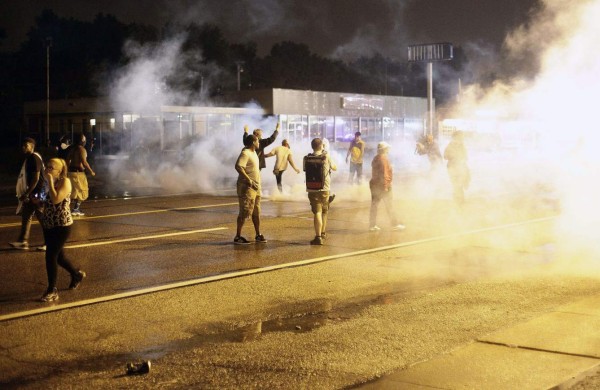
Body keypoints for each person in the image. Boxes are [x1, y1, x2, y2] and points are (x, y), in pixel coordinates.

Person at [37, 158, 86, 302]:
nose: (47, 170)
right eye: (47, 167)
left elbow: (56, 199)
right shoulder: (46, 181)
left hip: (62, 225)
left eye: (51, 168)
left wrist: (50, 182)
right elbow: (44, 199)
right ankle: (76, 274)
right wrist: (37, 199)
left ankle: (52, 290)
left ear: (60, 171)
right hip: (48, 224)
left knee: (50, 255)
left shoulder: (65, 182)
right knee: (60, 257)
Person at [10, 138, 45, 250]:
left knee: (42, 218)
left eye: (26, 145)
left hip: (38, 193)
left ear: (32, 146)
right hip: (33, 193)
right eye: (23, 145)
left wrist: (27, 193)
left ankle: (50, 242)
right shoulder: (29, 158)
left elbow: (36, 178)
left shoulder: (34, 158)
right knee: (26, 216)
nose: (23, 147)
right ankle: (23, 241)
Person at [234, 134, 267, 244]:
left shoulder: (253, 153)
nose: (259, 142)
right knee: (245, 211)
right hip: (247, 187)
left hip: (256, 187)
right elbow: (238, 166)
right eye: (257, 141)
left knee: (256, 211)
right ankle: (238, 236)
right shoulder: (245, 153)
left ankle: (258, 234)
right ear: (253, 142)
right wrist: (248, 180)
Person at [306, 138, 337, 245]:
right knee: (324, 211)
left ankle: (318, 236)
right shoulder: (326, 156)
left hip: (312, 188)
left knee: (317, 212)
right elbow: (334, 167)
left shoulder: (307, 157)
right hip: (325, 188)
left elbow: (305, 170)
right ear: (321, 146)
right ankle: (322, 234)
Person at [369, 142, 405, 231]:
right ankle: (394, 224)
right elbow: (384, 174)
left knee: (374, 206)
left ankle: (372, 225)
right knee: (389, 205)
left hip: (375, 185)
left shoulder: (376, 158)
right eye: (387, 149)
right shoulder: (383, 159)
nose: (389, 150)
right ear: (384, 150)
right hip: (383, 186)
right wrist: (385, 187)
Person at [66, 133, 95, 216]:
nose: (85, 141)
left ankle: (68, 208)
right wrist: (91, 171)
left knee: (73, 192)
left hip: (71, 172)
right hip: (78, 173)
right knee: (82, 190)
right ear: (82, 140)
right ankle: (76, 209)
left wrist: (66, 171)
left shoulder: (72, 149)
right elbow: (84, 162)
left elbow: (67, 160)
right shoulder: (81, 149)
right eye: (84, 139)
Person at [443, 131, 470, 205]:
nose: (461, 139)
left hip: (460, 167)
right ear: (455, 137)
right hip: (452, 167)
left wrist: (462, 160)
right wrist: (452, 157)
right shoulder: (450, 146)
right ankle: (458, 200)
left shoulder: (462, 146)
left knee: (459, 184)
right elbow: (445, 156)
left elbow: (466, 157)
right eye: (459, 137)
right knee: (455, 184)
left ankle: (459, 200)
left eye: (461, 137)